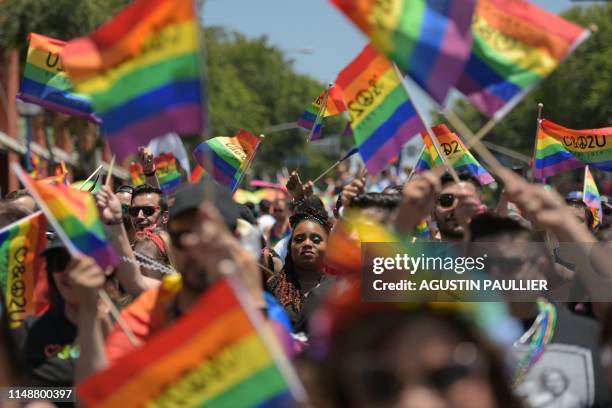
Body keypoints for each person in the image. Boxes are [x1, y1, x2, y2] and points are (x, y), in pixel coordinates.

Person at [468, 213, 610, 407]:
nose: (494, 275)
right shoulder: (455, 339)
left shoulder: (591, 338)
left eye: (508, 264)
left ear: (541, 267)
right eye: (481, 265)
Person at [13, 238, 111, 388]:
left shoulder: (125, 322)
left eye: (79, 263)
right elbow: (9, 394)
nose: (70, 271)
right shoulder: (28, 331)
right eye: (60, 261)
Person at [268, 210, 332, 331]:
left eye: (316, 239)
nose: (307, 243)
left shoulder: (339, 289)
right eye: (299, 239)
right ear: (289, 246)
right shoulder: (272, 287)